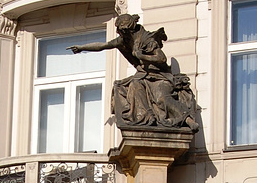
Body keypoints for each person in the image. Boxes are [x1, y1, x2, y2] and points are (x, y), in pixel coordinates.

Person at [67, 14, 198, 131]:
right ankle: (147, 117)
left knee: (161, 98)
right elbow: (103, 46)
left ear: (128, 30)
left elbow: (161, 58)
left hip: (160, 76)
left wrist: (142, 56)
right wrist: (82, 48)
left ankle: (188, 120)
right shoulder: (124, 40)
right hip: (143, 75)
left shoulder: (147, 39)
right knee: (133, 85)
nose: (119, 33)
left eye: (121, 30)